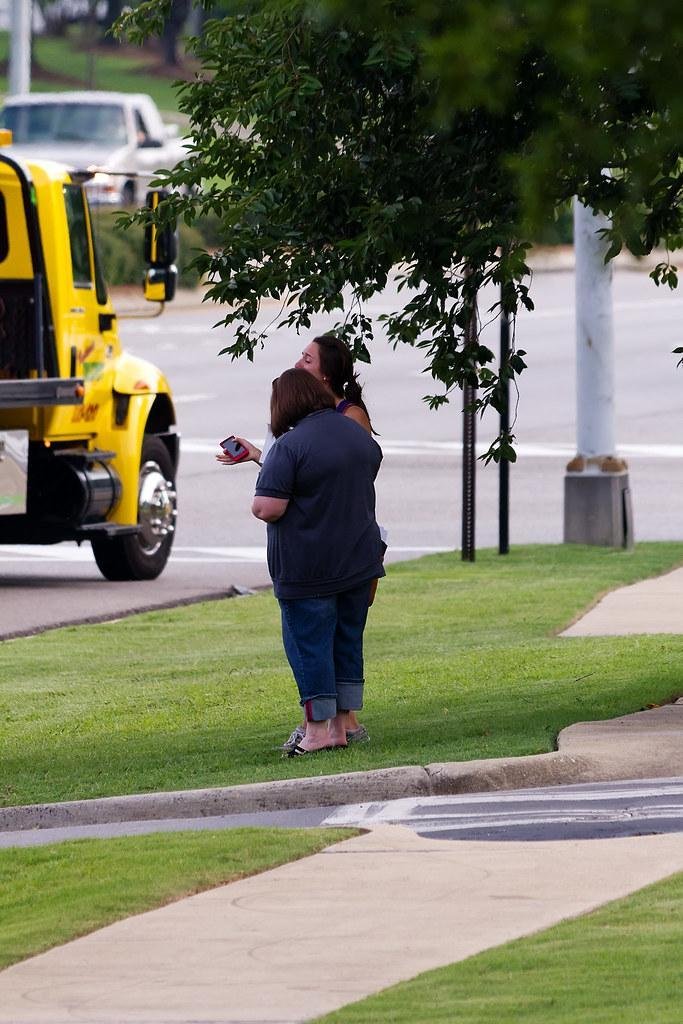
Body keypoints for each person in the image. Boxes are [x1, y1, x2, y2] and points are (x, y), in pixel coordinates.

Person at [217, 333, 382, 748]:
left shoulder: (291, 444)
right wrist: (264, 458)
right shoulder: (354, 430)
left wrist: (270, 469)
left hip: (310, 565)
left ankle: (316, 732)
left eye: (306, 358)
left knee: (308, 642)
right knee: (346, 640)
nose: (299, 360)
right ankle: (344, 726)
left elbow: (266, 507)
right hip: (357, 557)